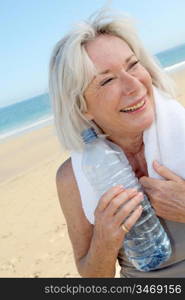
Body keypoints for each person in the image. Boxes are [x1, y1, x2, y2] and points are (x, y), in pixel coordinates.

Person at [49, 9, 185, 278]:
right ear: (80, 106)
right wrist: (104, 240)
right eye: (108, 79)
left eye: (133, 65)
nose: (134, 84)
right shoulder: (72, 179)